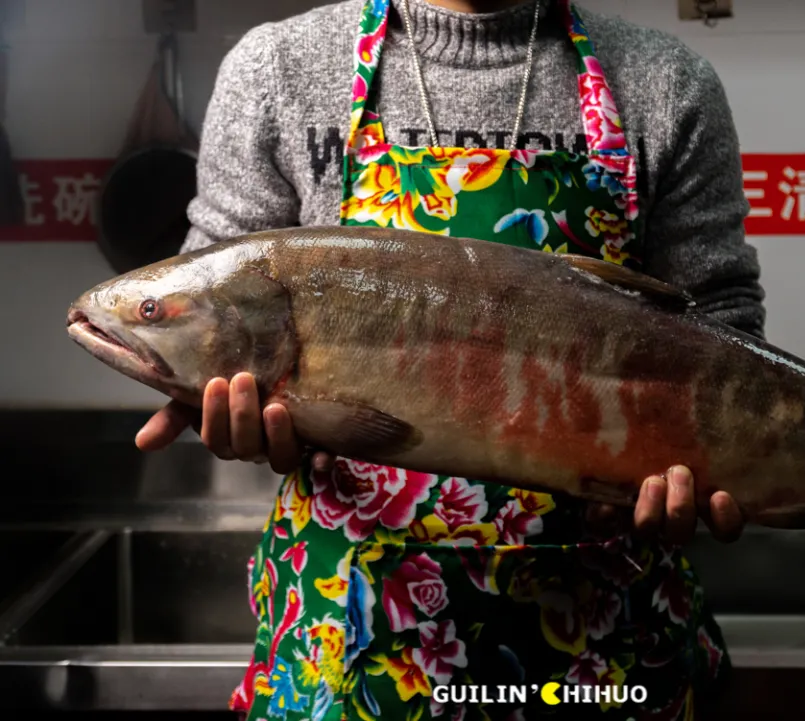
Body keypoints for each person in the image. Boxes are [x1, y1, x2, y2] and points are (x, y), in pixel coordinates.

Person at [135, 0, 766, 718]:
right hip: (354, 634)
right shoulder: (279, 68)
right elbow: (216, 294)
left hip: (603, 634)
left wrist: (709, 463)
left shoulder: (665, 81)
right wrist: (222, 408)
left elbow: (720, 324)